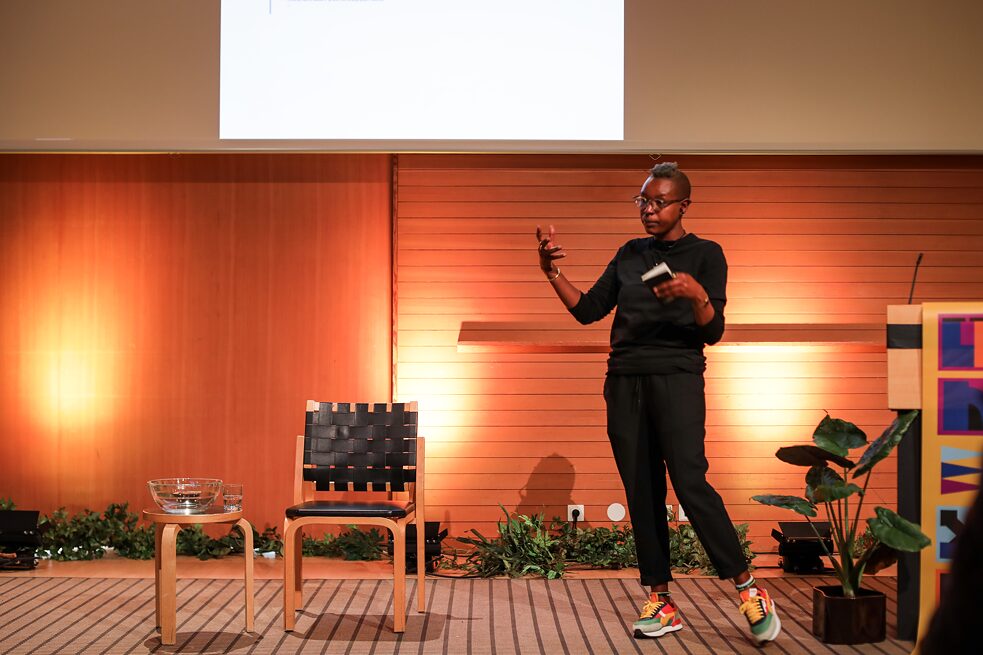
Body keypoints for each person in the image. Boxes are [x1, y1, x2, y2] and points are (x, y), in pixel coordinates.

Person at [535, 162, 781, 644]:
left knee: (690, 484)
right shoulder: (630, 254)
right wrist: (551, 271)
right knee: (642, 491)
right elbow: (588, 311)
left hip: (677, 378)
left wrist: (696, 294)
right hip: (624, 380)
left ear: (683, 205)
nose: (648, 210)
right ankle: (661, 600)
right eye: (642, 201)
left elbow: (713, 331)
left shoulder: (706, 254)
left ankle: (750, 590)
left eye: (658, 202)